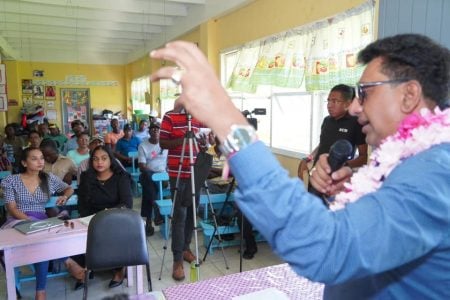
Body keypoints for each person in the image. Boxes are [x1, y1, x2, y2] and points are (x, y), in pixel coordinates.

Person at [149, 35, 450, 299]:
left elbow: (327, 250)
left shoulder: (434, 173)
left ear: (409, 95)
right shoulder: (416, 161)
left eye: (365, 92)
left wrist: (231, 124)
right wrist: (349, 192)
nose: (356, 107)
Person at [0, 147, 84, 300]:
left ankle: (41, 292)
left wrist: (64, 197)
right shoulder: (11, 180)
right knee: (43, 237)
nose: (40, 162)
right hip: (17, 221)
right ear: (24, 163)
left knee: (42, 241)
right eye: (34, 158)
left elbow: (69, 188)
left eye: (41, 158)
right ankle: (67, 260)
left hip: (41, 222)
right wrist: (31, 222)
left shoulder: (48, 178)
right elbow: (12, 209)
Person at [77, 145, 133, 288]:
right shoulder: (86, 177)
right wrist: (88, 219)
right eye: (95, 159)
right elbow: (82, 204)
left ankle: (119, 269)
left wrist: (106, 214)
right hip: (92, 218)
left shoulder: (121, 177)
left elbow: (126, 203)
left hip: (116, 216)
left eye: (103, 158)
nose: (99, 162)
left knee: (115, 233)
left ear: (111, 160)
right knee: (77, 235)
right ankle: (84, 268)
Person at [159, 106, 204, 281]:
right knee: (179, 216)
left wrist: (207, 141)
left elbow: (203, 144)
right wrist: (183, 139)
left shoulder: (201, 116)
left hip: (196, 173)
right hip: (177, 173)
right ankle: (177, 260)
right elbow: (163, 143)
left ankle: (186, 248)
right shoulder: (170, 117)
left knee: (192, 215)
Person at [137, 122, 167, 236]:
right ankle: (156, 210)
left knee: (147, 190)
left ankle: (148, 221)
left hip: (162, 177)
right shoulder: (143, 145)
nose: (155, 131)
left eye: (157, 129)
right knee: (147, 177)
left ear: (160, 132)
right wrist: (152, 174)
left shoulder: (165, 144)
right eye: (153, 129)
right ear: (148, 131)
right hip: (148, 174)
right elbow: (142, 166)